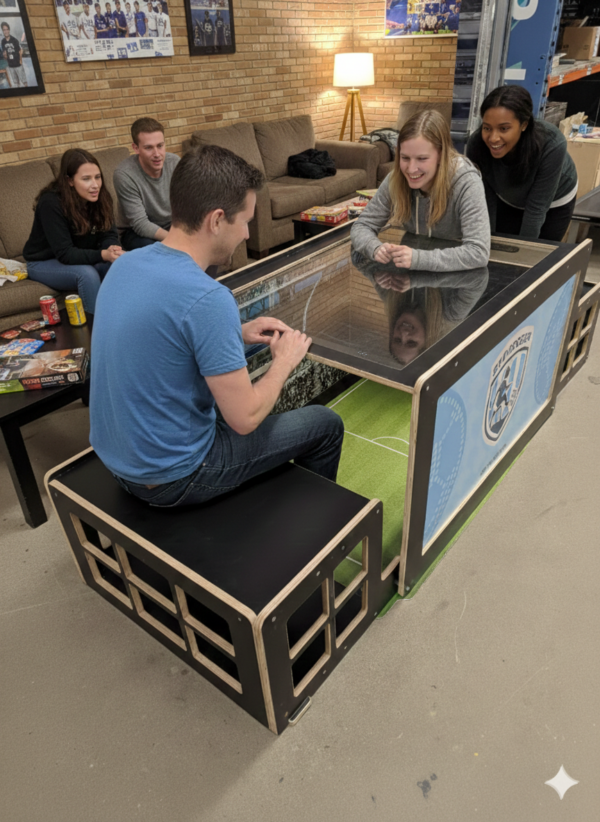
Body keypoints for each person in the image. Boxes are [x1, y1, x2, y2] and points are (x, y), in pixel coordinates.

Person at [90, 144, 344, 507]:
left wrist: (236, 334)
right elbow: (245, 419)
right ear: (216, 220)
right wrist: (284, 363)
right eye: (245, 221)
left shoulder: (126, 265)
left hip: (115, 460)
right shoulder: (209, 298)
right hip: (175, 478)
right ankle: (306, 535)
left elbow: (159, 338)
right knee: (325, 424)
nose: (245, 234)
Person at [351, 109, 490, 272]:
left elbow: (478, 253)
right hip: (410, 275)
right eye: (405, 158)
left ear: (441, 155)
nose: (411, 169)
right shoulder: (395, 179)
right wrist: (375, 248)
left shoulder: (466, 182)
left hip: (459, 279)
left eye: (422, 159)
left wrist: (419, 259)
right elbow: (362, 226)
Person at [466, 85, 578, 242]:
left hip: (552, 203)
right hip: (508, 198)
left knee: (540, 256)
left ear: (524, 124)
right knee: (498, 243)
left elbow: (537, 209)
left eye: (504, 128)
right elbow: (485, 199)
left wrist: (523, 253)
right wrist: (486, 244)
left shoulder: (552, 143)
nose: (493, 138)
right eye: (487, 128)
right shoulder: (477, 146)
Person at [23, 148, 124, 315]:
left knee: (118, 266)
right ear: (70, 181)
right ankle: (95, 333)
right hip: (43, 262)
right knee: (87, 275)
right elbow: (65, 253)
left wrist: (113, 250)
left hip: (79, 256)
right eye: (86, 179)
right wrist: (103, 255)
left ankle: (123, 322)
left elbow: (109, 234)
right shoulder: (51, 203)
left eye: (97, 177)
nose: (95, 185)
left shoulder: (101, 197)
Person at [113, 116, 179, 250]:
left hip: (173, 224)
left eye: (160, 146)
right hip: (136, 233)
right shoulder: (124, 174)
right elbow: (140, 224)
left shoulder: (175, 163)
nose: (157, 154)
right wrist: (176, 240)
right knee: (154, 249)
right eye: (149, 148)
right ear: (136, 148)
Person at [1, 22, 27, 87]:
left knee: (24, 82)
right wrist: (4, 55)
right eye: (4, 30)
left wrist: (20, 61)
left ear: (9, 30)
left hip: (18, 64)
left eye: (7, 29)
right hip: (10, 66)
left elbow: (20, 51)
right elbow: (4, 53)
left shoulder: (14, 40)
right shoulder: (3, 41)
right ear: (3, 31)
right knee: (15, 83)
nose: (6, 31)